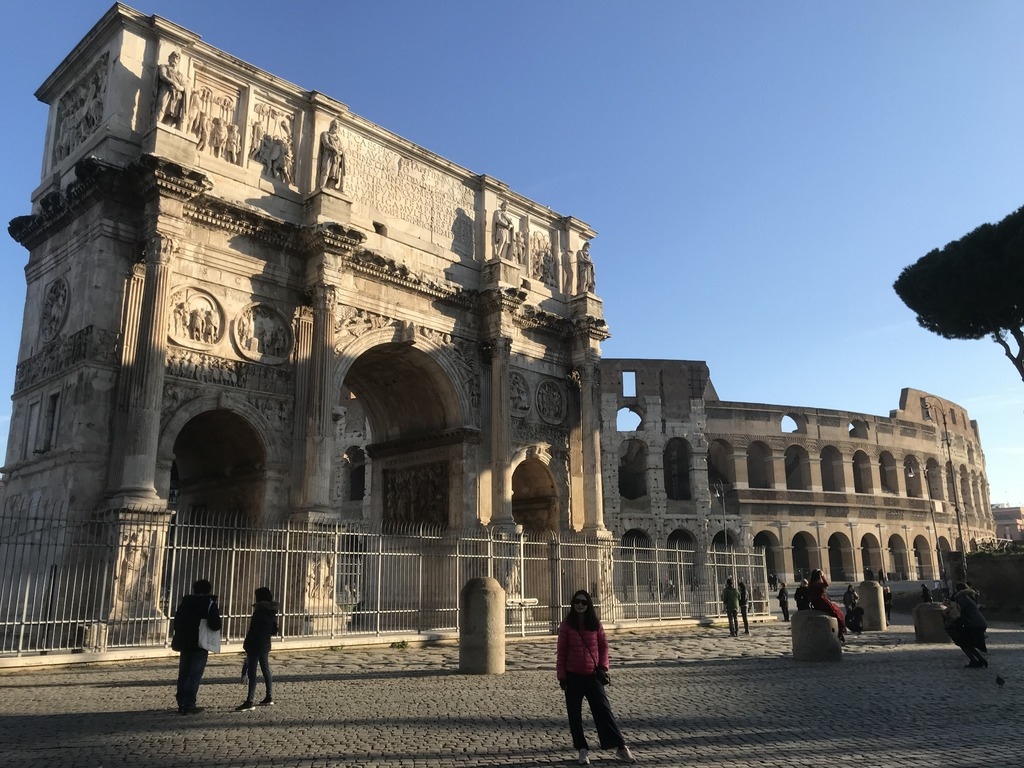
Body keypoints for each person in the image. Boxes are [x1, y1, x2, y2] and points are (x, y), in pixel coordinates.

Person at [556, 590, 637, 765]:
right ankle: (582, 749)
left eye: (584, 602)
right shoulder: (566, 625)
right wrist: (562, 676)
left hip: (593, 675)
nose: (580, 605)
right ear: (573, 603)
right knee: (574, 715)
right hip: (573, 676)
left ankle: (620, 746)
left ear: (589, 605)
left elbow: (603, 647)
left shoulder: (595, 624)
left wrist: (603, 667)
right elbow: (561, 653)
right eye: (577, 601)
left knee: (604, 711)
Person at [171, 579, 222, 714]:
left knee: (183, 673)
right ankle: (190, 704)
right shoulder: (209, 604)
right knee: (195, 674)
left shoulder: (185, 603)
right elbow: (215, 625)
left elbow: (176, 622)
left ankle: (181, 702)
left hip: (185, 641)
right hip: (200, 642)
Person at [236, 586, 279, 711]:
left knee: (252, 672)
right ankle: (269, 696)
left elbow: (253, 631)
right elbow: (274, 630)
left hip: (255, 645)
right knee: (266, 670)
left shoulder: (259, 612)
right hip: (265, 644)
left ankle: (250, 701)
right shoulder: (271, 612)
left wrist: (246, 644)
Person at [945, 582, 988, 668]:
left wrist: (948, 609)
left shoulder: (962, 598)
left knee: (963, 642)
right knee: (966, 643)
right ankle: (979, 660)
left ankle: (977, 660)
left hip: (973, 624)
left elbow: (957, 612)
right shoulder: (969, 596)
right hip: (977, 623)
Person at [808, 569, 847, 642]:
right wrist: (823, 576)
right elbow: (826, 584)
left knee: (837, 610)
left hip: (818, 602)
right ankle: (840, 631)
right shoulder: (816, 583)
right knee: (836, 612)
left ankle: (840, 631)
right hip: (821, 602)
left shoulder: (811, 583)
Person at [156, 51, 189, 129]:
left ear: (178, 62)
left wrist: (179, 88)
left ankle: (167, 128)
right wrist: (174, 83)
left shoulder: (180, 75)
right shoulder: (164, 67)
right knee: (161, 106)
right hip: (166, 91)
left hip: (176, 96)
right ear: (169, 59)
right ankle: (157, 123)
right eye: (173, 57)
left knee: (173, 113)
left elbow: (184, 86)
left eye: (176, 59)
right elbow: (163, 76)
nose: (174, 60)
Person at [317, 118, 345, 190]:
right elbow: (326, 144)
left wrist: (341, 152)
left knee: (334, 174)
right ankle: (322, 186)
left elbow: (341, 149)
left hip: (336, 158)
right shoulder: (325, 134)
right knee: (326, 170)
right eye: (335, 125)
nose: (336, 127)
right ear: (331, 126)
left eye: (337, 126)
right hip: (327, 156)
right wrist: (335, 149)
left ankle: (330, 187)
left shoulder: (338, 139)